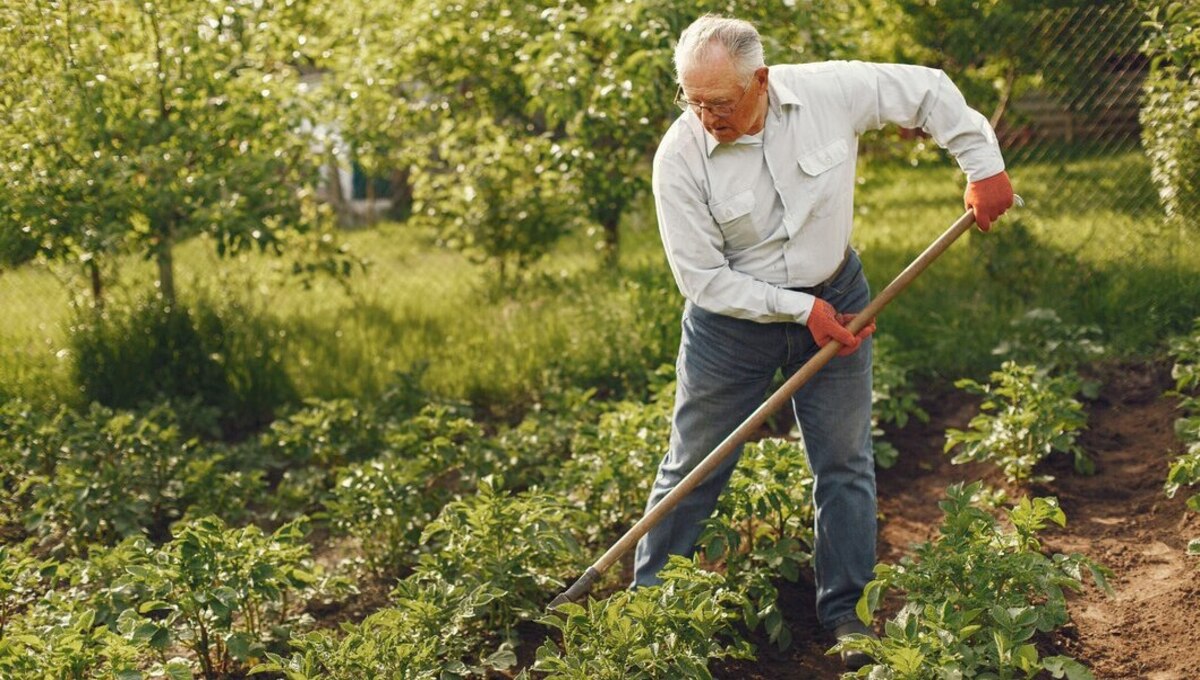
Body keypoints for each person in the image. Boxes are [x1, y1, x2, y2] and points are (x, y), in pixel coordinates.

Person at [633, 14, 1013, 670]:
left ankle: (848, 616)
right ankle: (647, 612)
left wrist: (983, 166)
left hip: (837, 297)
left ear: (761, 81)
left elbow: (926, 90)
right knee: (694, 466)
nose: (706, 116)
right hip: (732, 328)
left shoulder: (829, 92)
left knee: (844, 463)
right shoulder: (681, 157)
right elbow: (702, 279)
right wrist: (795, 309)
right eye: (692, 101)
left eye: (719, 102)